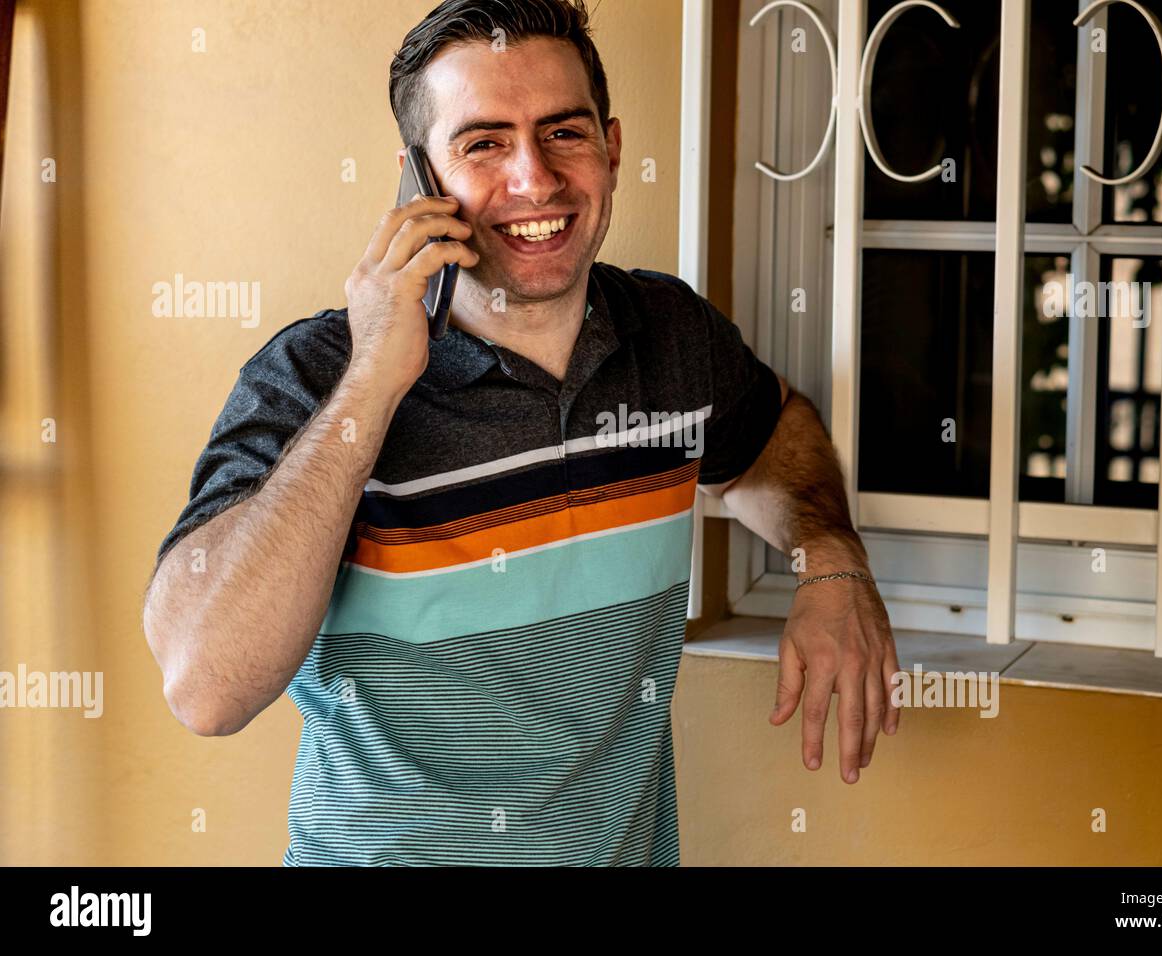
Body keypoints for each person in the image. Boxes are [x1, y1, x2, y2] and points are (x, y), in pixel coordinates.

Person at [142, 0, 900, 867]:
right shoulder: (317, 377)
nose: (535, 181)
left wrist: (831, 560)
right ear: (418, 180)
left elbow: (771, 434)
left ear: (611, 149)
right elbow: (205, 687)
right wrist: (374, 383)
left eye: (563, 133)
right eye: (483, 144)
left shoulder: (672, 336)